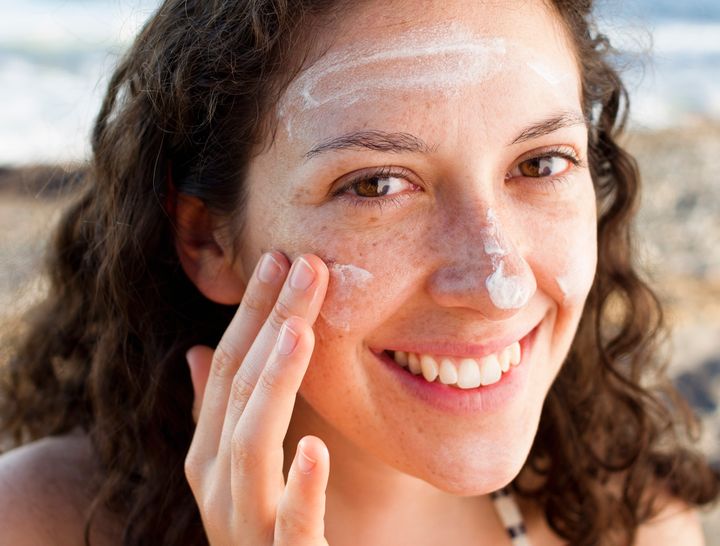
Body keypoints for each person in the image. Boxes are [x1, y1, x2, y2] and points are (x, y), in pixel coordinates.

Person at [0, 0, 718, 544]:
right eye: (375, 185)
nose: (499, 282)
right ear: (207, 242)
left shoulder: (640, 526)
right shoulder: (35, 523)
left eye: (540, 163)